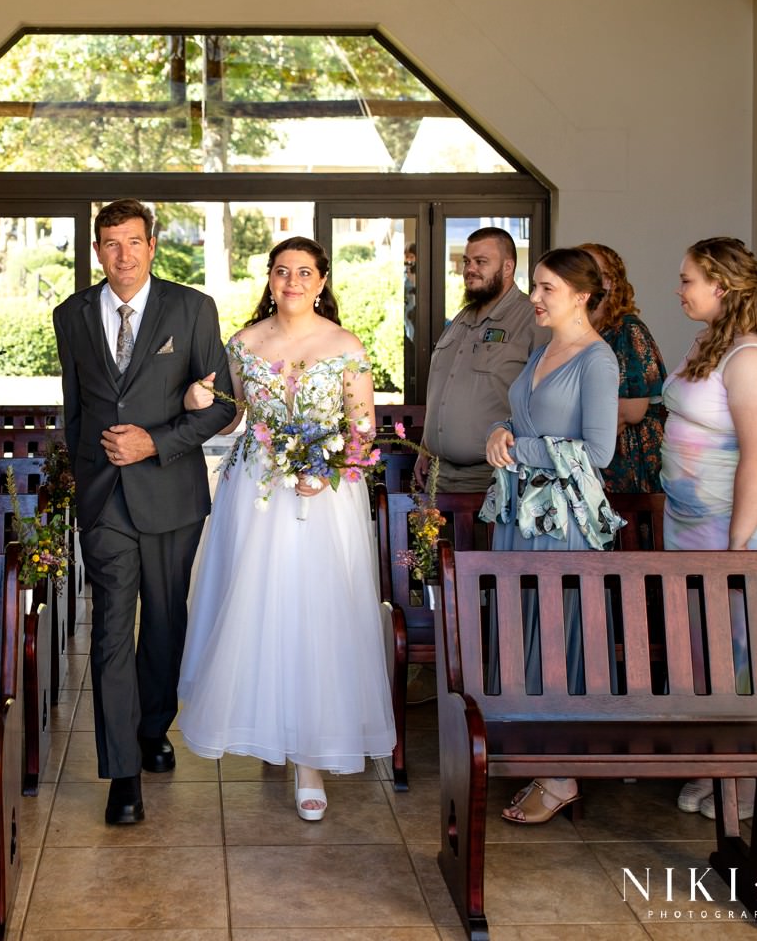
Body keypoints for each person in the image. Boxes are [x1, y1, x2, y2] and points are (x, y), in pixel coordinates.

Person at [177, 237, 396, 821]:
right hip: (256, 492)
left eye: (304, 272)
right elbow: (230, 409)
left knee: (316, 614)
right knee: (259, 610)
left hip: (325, 500)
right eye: (282, 272)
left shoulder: (346, 346)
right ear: (269, 281)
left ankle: (311, 758)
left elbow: (362, 431)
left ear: (323, 281)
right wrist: (197, 395)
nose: (292, 281)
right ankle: (267, 724)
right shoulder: (246, 343)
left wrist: (330, 473)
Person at [52, 199, 235, 825]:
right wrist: (82, 480)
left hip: (170, 492)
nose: (122, 255)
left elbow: (222, 407)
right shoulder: (70, 314)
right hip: (105, 499)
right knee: (110, 630)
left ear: (152, 245)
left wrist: (156, 441)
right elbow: (75, 409)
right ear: (97, 249)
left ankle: (155, 725)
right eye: (109, 243)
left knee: (163, 622)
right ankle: (122, 770)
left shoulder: (192, 308)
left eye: (133, 241)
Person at [662, 237, 757, 822]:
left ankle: (747, 779)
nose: (681, 287)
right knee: (704, 646)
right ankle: (714, 759)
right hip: (694, 524)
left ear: (721, 285)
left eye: (688, 278)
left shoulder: (750, 357)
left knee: (748, 649)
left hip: (743, 529)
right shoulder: (708, 344)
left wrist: (738, 546)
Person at [482, 247, 622, 825]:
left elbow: (599, 452)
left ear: (582, 295)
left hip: (563, 524)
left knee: (560, 634)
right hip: (520, 514)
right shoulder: (542, 350)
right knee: (520, 627)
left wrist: (519, 448)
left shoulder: (597, 361)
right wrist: (499, 430)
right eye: (535, 287)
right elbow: (521, 419)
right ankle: (530, 750)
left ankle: (563, 772)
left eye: (546, 289)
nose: (534, 298)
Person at [416, 227, 549, 494]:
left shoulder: (532, 320)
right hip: (438, 477)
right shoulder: (461, 319)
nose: (470, 269)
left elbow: (545, 402)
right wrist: (425, 446)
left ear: (508, 266)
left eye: (481, 262)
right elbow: (442, 389)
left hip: (491, 479)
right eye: (467, 261)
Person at [579, 242, 668, 493]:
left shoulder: (628, 330)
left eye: (592, 272)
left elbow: (631, 410)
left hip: (626, 458)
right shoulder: (579, 333)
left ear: (610, 282)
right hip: (588, 457)